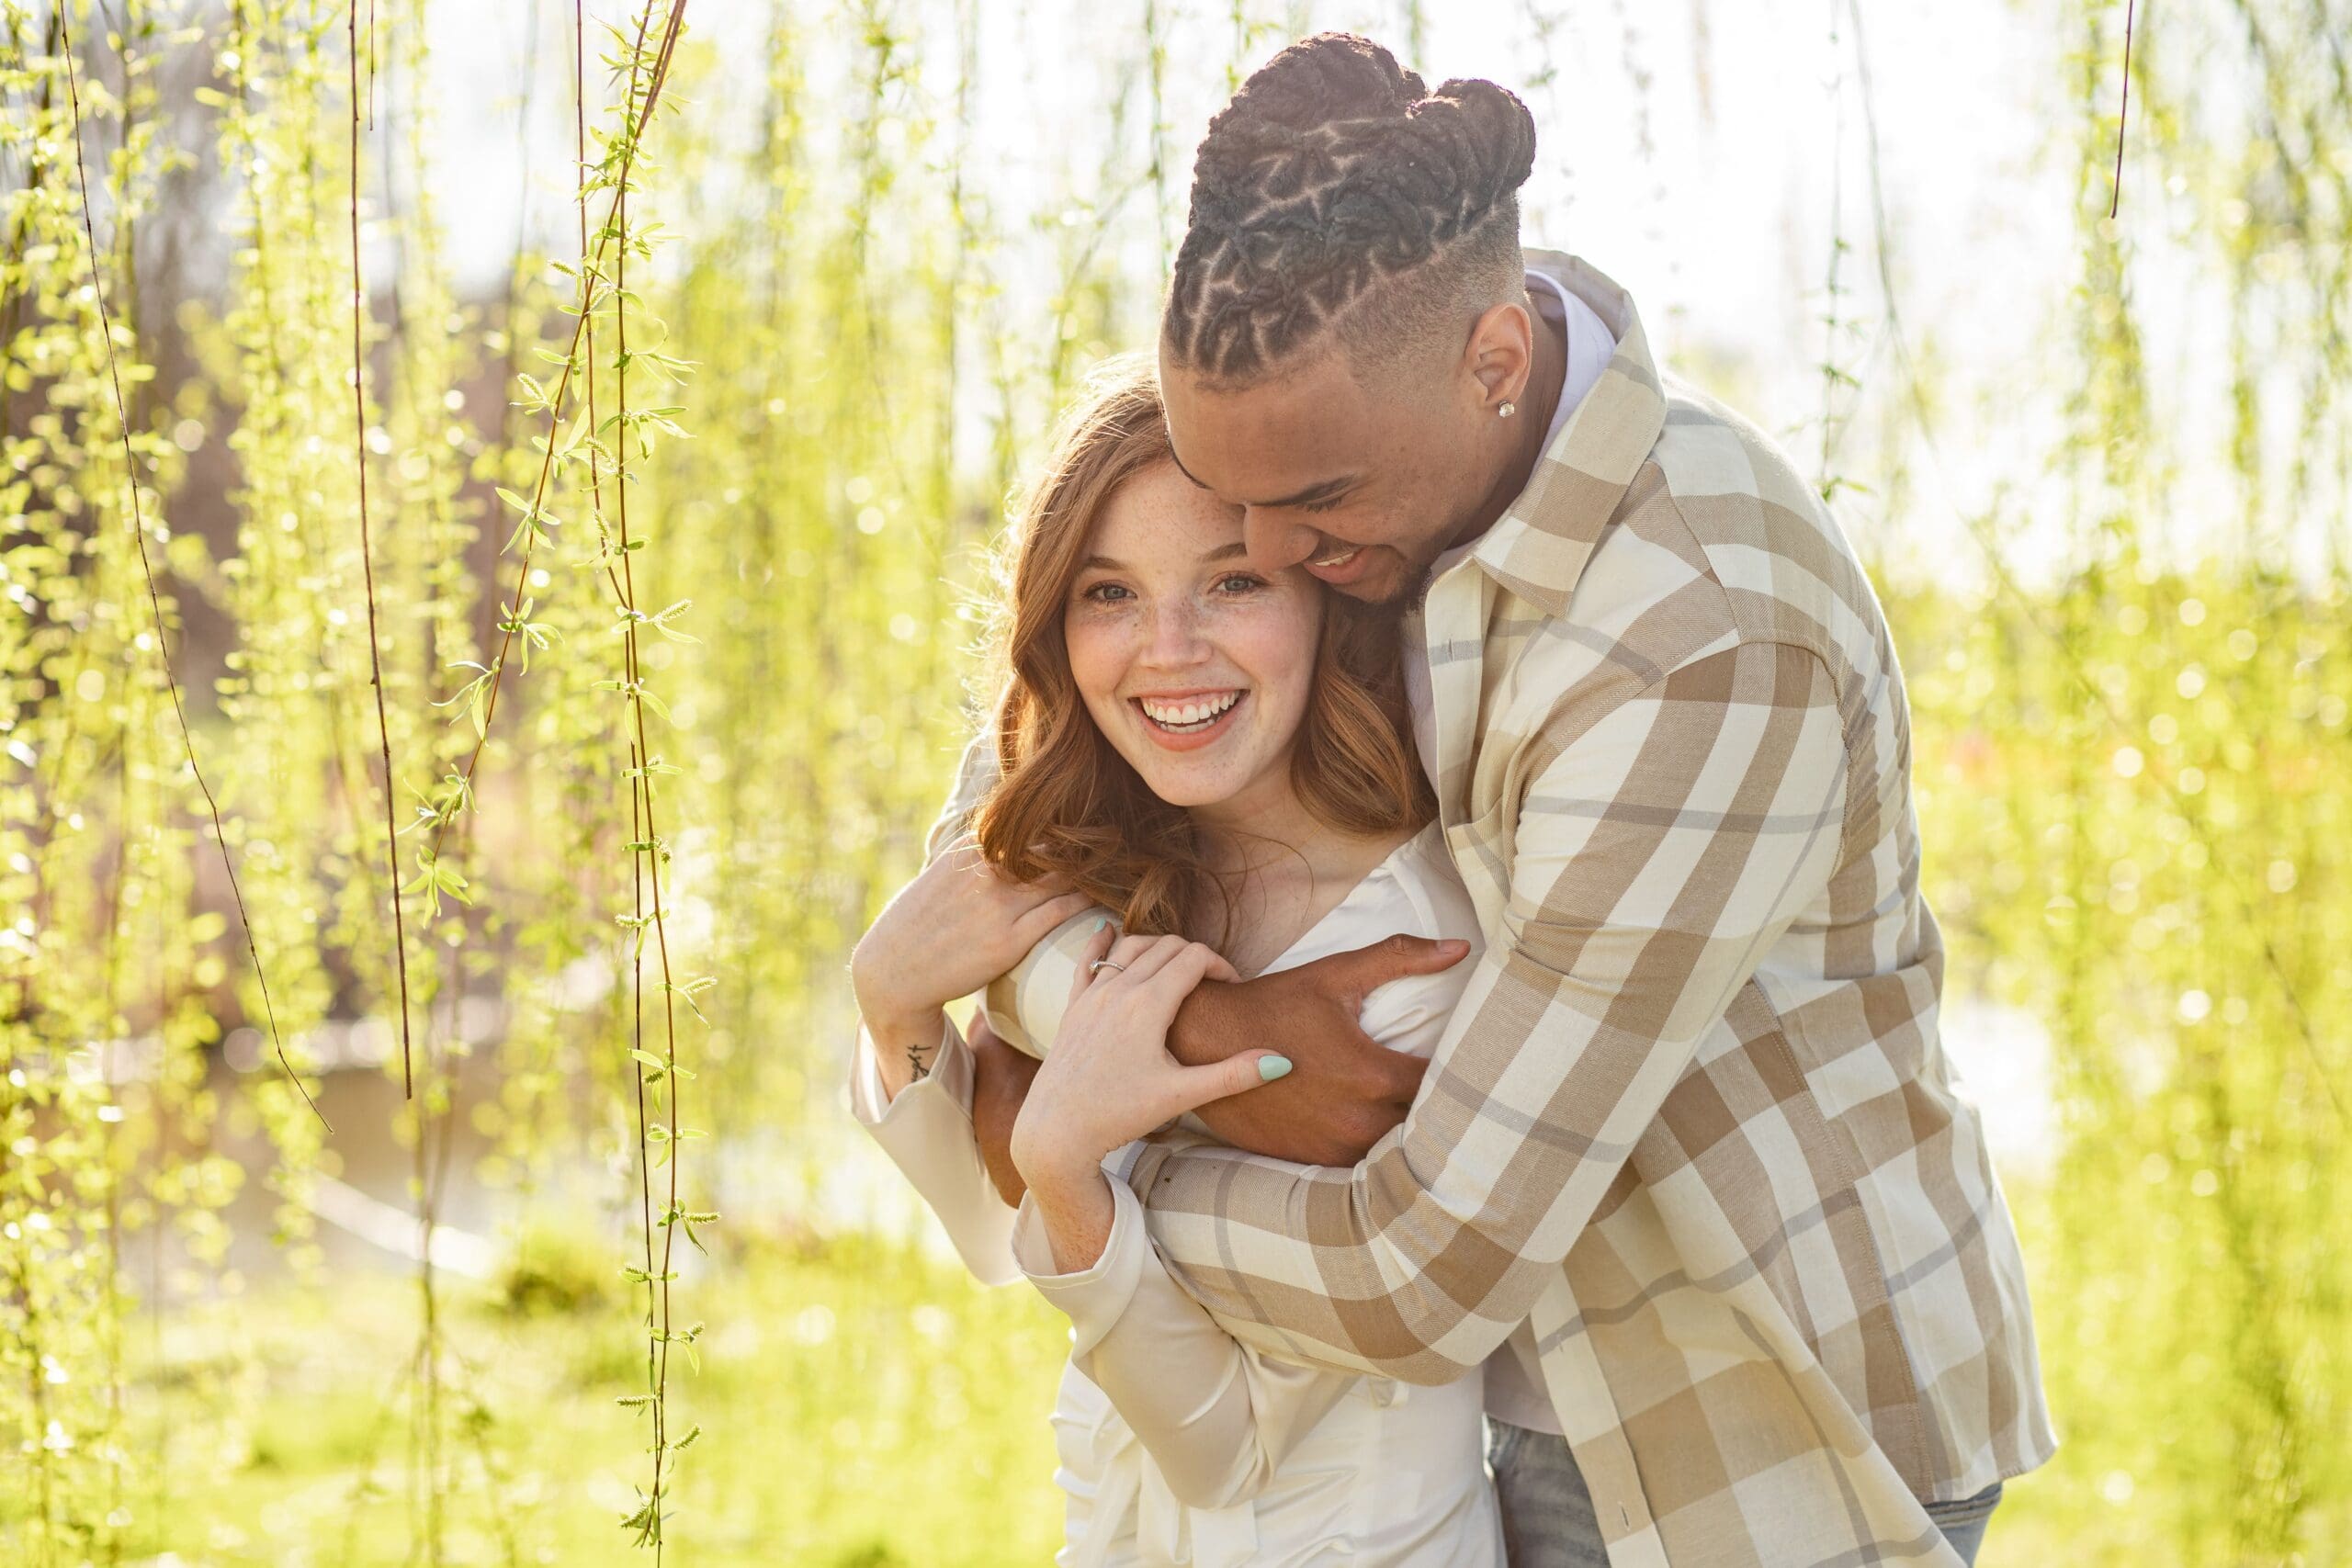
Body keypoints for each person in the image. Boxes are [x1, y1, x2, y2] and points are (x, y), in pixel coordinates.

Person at [940, 33, 2055, 1568]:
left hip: (1755, 1416)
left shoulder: (1700, 634)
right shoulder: (1358, 449)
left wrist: (1082, 1165)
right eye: (1227, 499)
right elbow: (989, 853)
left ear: (1498, 367)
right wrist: (1197, 1046)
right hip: (1494, 1405)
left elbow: (1426, 1270)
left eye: (1306, 512)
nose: (1262, 551)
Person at [849, 358, 1507, 1566]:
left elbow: (1226, 1451)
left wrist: (1065, 1165)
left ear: (1323, 599)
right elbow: (992, 1238)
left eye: (1233, 581)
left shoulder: (1405, 954)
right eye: (1110, 593)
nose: (1170, 651)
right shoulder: (1112, 872)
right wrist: (894, 1007)